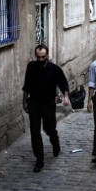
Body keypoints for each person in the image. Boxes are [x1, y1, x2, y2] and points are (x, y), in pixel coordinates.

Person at [22, 44, 70, 173]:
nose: (40, 60)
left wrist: (65, 96)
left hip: (48, 103)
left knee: (49, 128)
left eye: (43, 57)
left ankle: (55, 143)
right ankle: (39, 159)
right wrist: (24, 101)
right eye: (38, 57)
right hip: (34, 103)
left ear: (47, 55)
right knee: (35, 131)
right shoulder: (31, 67)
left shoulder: (54, 69)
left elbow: (63, 84)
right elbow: (27, 85)